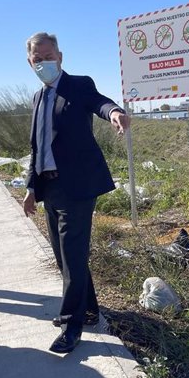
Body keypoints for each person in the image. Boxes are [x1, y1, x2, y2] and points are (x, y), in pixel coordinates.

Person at [23, 32, 130, 353]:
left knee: (72, 253)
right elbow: (37, 148)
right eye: (37, 59)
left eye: (48, 55)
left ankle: (72, 325)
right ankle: (89, 309)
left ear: (60, 56)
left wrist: (114, 113)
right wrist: (31, 189)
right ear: (30, 62)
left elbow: (99, 102)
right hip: (50, 187)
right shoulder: (37, 98)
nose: (44, 62)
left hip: (79, 186)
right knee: (64, 256)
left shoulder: (79, 84)